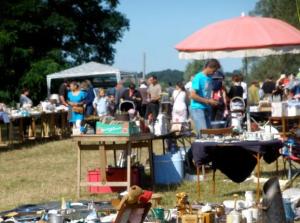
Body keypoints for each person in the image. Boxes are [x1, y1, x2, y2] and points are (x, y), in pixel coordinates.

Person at [190, 59, 220, 135]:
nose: (214, 72)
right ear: (209, 67)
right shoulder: (198, 77)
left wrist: (212, 101)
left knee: (209, 134)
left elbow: (207, 95)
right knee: (204, 134)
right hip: (198, 108)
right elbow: (192, 95)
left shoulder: (210, 79)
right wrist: (208, 101)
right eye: (214, 70)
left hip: (207, 108)